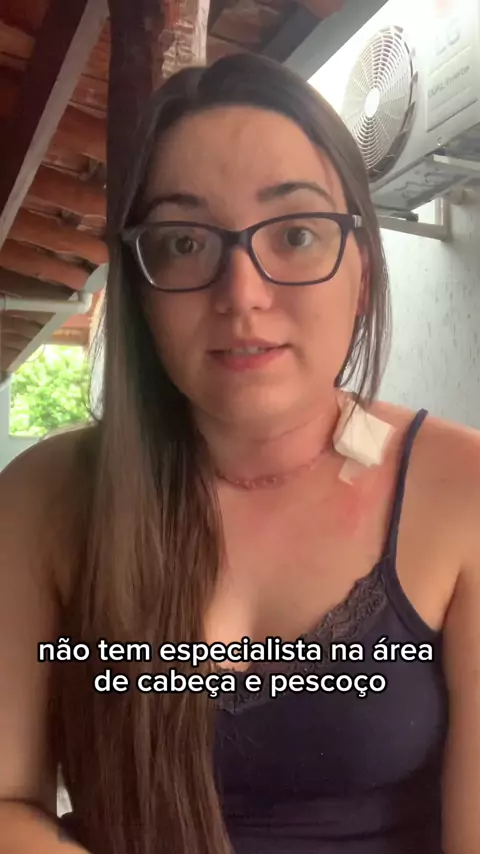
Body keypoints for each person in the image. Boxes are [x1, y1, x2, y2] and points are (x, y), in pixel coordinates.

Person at [0, 52, 479, 854]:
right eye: (185, 242)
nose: (243, 294)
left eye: (295, 234)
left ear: (361, 272)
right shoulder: (43, 498)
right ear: (140, 287)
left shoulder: (463, 490)